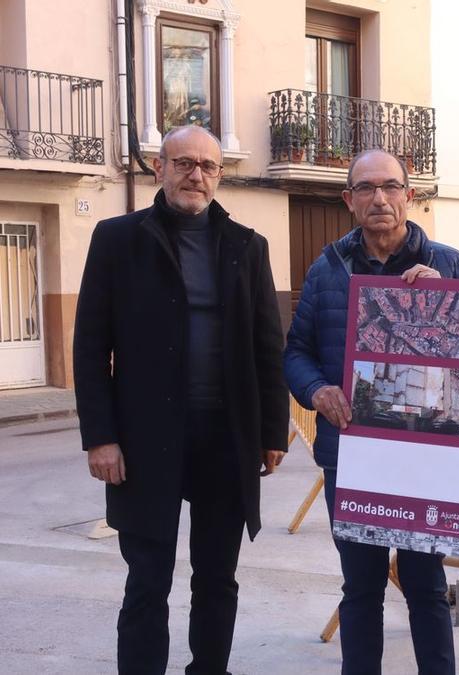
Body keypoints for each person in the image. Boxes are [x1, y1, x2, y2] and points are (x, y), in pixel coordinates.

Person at [74, 125, 289, 674]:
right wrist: (100, 437)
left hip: (225, 438)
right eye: (184, 163)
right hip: (146, 442)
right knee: (148, 580)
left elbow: (268, 344)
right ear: (159, 168)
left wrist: (271, 432)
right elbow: (91, 346)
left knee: (217, 577)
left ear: (220, 175)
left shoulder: (247, 245)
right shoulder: (118, 239)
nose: (197, 175)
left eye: (209, 166)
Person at [284, 149, 459, 675]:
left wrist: (450, 302)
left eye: (391, 186)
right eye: (366, 188)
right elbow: (296, 351)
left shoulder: (451, 265)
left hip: (426, 458)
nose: (380, 198)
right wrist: (317, 390)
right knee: (361, 586)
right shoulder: (327, 269)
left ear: (409, 196)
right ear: (349, 200)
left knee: (426, 585)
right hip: (350, 454)